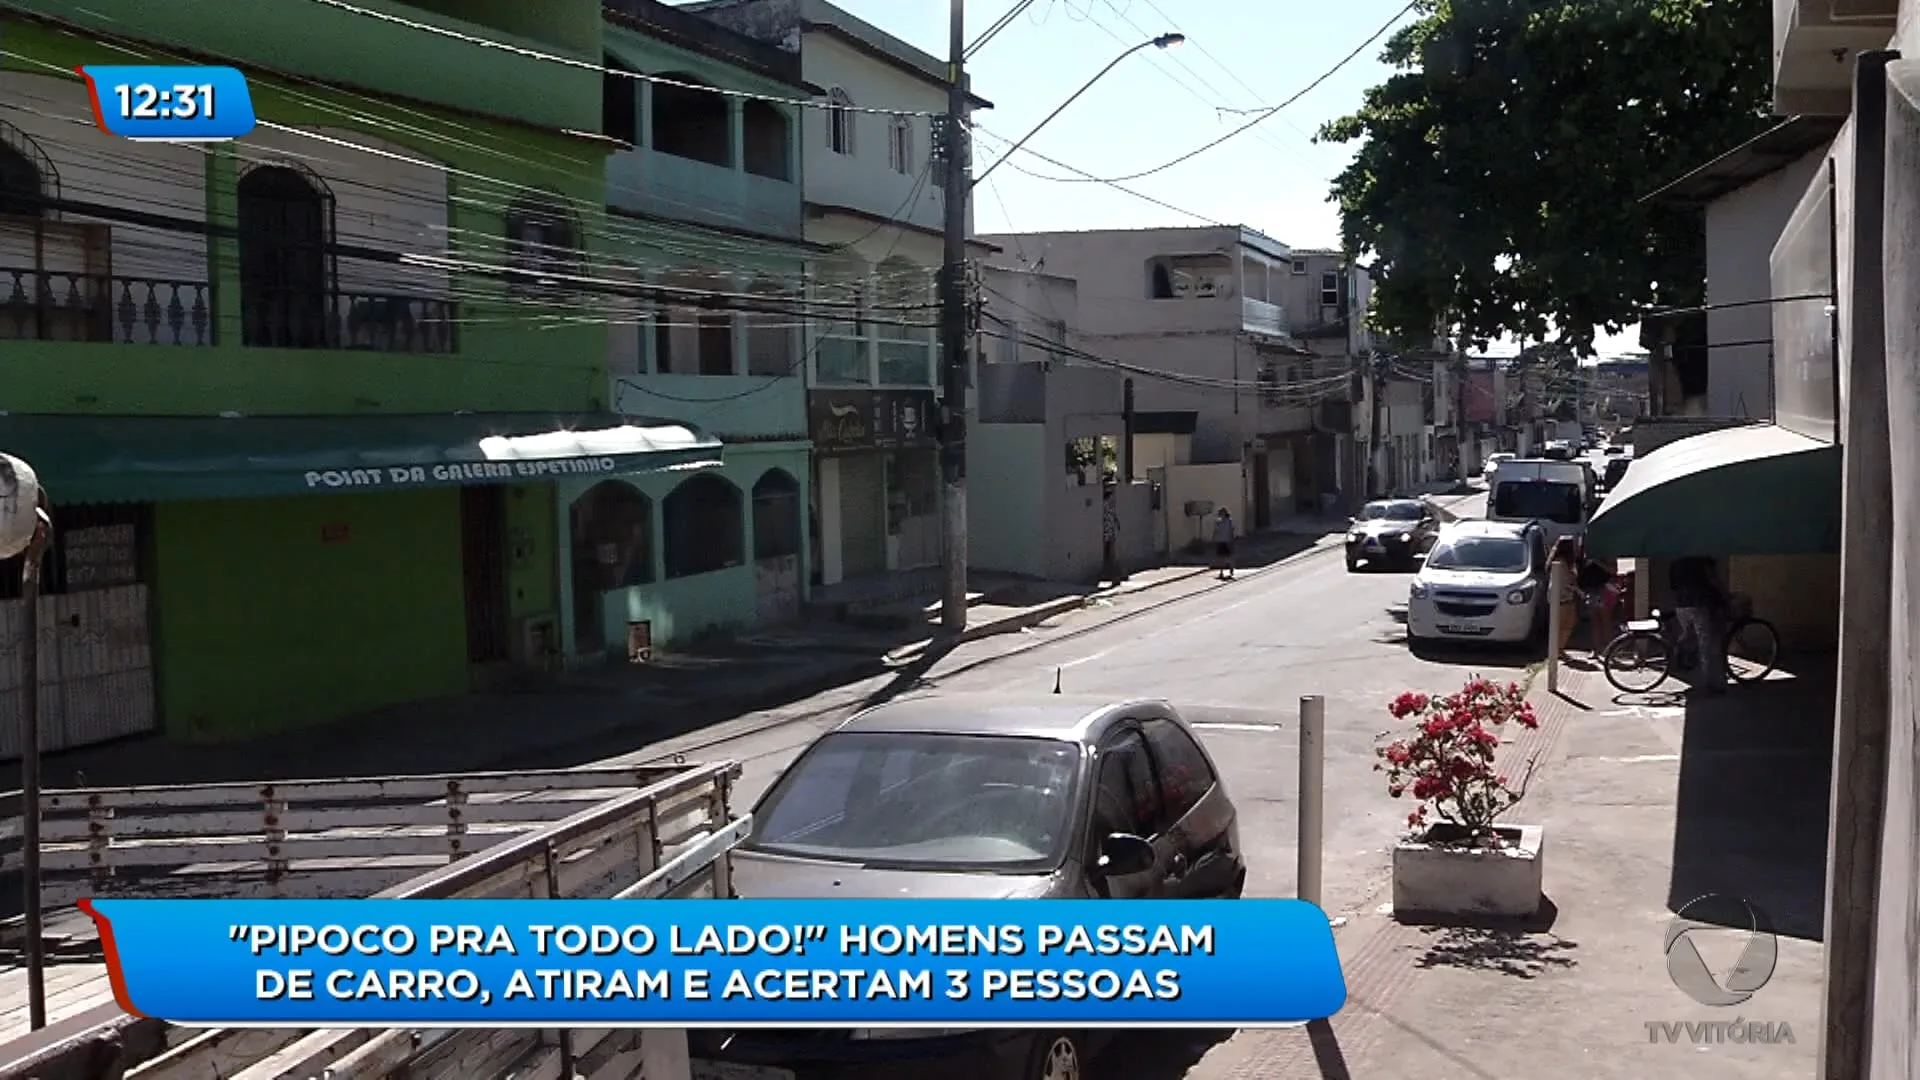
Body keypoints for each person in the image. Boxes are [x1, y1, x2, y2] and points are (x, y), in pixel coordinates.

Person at [1669, 555, 1728, 693]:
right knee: (1707, 645)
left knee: (1689, 637)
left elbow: (1673, 587)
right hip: (1699, 604)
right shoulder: (1702, 559)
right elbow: (1714, 580)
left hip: (1681, 605)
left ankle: (1678, 656)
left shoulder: (1676, 561)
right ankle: (1711, 684)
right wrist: (1726, 596)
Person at [1576, 558, 1619, 655]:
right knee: (1595, 620)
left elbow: (1613, 570)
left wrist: (1597, 561)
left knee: (1605, 620)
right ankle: (1596, 648)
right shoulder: (1585, 555)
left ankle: (1609, 648)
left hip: (1604, 588)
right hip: (1590, 589)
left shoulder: (1607, 554)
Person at [1548, 537, 1582, 660]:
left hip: (1567, 595)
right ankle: (1557, 650)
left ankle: (1560, 648)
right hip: (1561, 597)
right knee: (1561, 624)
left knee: (1569, 622)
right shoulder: (1560, 563)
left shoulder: (1568, 563)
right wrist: (1577, 591)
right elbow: (1565, 582)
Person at [1211, 507, 1237, 580]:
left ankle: (1231, 567)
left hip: (1227, 540)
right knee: (1220, 557)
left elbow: (1232, 530)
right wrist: (1214, 538)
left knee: (1227, 556)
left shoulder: (1229, 521)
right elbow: (1215, 531)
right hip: (1220, 540)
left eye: (1223, 513)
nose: (1221, 514)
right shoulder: (1218, 522)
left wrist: (1232, 540)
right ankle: (1221, 572)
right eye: (1220, 513)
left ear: (1225, 513)